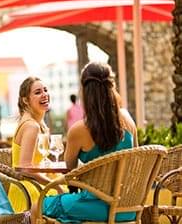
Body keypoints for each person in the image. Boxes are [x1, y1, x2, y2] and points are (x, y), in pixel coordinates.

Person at [31, 62, 138, 224]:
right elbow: (135, 159)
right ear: (112, 87)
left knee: (36, 206)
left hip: (97, 207)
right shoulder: (128, 119)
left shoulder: (79, 130)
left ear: (85, 91)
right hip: (129, 208)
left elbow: (69, 170)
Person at [8, 76, 59, 212]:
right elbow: (25, 167)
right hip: (29, 190)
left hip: (33, 183)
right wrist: (55, 185)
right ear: (26, 100)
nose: (44, 95)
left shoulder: (37, 123)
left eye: (45, 90)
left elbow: (38, 159)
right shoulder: (31, 126)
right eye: (37, 92)